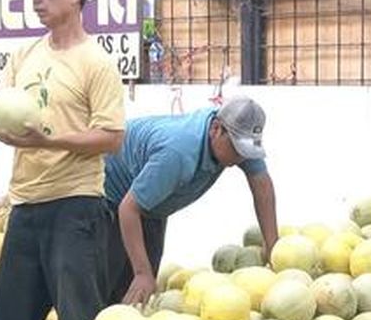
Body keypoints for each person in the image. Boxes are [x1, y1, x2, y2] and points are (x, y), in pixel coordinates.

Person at [0, 0, 125, 320]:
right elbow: (3, 109)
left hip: (75, 204)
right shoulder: (24, 55)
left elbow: (112, 137)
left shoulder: (95, 62)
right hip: (26, 203)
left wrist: (48, 141)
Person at [102, 97, 280, 305]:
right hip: (110, 196)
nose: (241, 157)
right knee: (115, 285)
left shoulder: (238, 138)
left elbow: (262, 187)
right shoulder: (178, 152)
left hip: (151, 204)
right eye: (236, 149)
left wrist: (273, 247)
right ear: (216, 129)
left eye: (246, 151)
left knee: (141, 292)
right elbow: (128, 208)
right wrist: (141, 272)